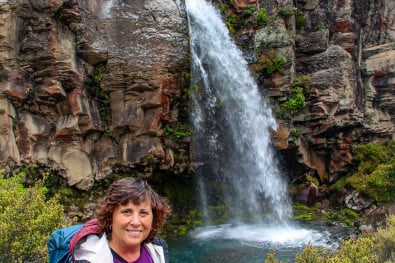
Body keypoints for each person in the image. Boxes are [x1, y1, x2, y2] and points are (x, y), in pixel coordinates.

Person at [71, 177, 171, 263]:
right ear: (110, 217)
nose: (136, 222)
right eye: (127, 212)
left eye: (143, 213)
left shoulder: (158, 248)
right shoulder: (90, 259)